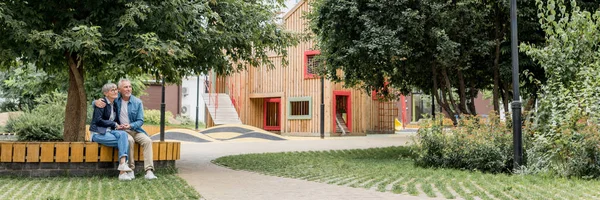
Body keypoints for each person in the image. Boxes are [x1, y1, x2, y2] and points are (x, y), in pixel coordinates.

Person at [96, 79, 158, 180]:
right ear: (119, 90)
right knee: (129, 140)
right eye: (125, 87)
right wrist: (96, 102)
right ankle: (130, 169)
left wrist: (130, 125)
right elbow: (104, 101)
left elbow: (140, 121)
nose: (128, 89)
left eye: (130, 87)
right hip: (121, 131)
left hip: (135, 130)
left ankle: (149, 171)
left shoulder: (137, 102)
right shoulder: (116, 100)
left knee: (147, 141)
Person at [89, 83, 133, 181]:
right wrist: (114, 124)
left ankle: (122, 168)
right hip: (98, 133)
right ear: (106, 93)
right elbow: (98, 120)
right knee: (124, 142)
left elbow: (114, 121)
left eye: (116, 89)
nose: (115, 91)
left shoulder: (114, 104)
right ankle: (123, 172)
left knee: (123, 134)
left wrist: (118, 125)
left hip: (110, 132)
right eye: (112, 90)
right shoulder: (101, 103)